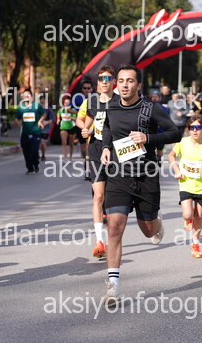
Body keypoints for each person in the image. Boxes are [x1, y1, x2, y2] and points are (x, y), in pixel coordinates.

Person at [100, 64, 182, 305]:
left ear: (138, 85)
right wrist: (105, 147)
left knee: (148, 230)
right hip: (118, 176)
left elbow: (175, 133)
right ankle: (113, 286)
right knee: (114, 228)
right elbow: (107, 128)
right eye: (121, 81)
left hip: (146, 176)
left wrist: (148, 138)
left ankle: (156, 223)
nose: (124, 85)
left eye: (130, 81)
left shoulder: (151, 108)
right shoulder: (111, 106)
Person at [76, 65, 118, 258]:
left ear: (114, 81)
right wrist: (85, 129)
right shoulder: (91, 101)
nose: (104, 82)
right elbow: (84, 121)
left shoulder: (119, 101)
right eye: (101, 78)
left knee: (112, 197)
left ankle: (112, 233)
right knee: (98, 196)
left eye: (108, 78)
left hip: (116, 151)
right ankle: (100, 241)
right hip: (95, 150)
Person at [168, 115, 202, 259]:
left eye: (198, 128)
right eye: (191, 128)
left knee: (199, 216)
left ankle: (195, 244)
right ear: (188, 129)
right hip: (186, 184)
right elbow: (171, 156)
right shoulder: (183, 142)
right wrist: (177, 171)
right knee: (188, 214)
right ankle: (187, 218)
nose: (194, 131)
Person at [14, 90, 46, 174]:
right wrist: (18, 123)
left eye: (28, 94)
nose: (26, 96)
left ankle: (36, 164)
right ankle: (30, 168)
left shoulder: (37, 106)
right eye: (24, 95)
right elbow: (16, 118)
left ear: (31, 96)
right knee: (26, 152)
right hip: (25, 133)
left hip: (36, 132)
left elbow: (44, 114)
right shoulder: (21, 108)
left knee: (34, 150)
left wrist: (40, 121)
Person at [39, 94, 55, 161]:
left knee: (43, 142)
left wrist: (46, 122)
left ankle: (43, 154)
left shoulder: (48, 109)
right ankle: (38, 154)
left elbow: (52, 119)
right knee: (39, 143)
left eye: (44, 99)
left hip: (46, 129)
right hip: (37, 128)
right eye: (41, 99)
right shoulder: (37, 108)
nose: (42, 100)